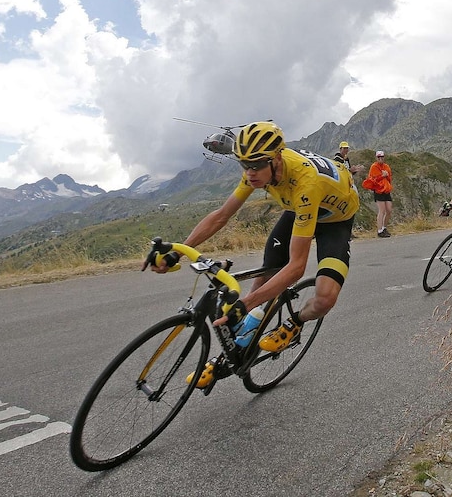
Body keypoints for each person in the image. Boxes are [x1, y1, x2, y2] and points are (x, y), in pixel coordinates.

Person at [144, 121, 359, 388]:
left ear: (276, 159)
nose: (250, 172)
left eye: (256, 165)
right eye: (244, 164)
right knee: (266, 279)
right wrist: (179, 249)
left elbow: (296, 268)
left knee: (325, 297)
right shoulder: (256, 170)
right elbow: (221, 216)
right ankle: (228, 356)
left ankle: (294, 323)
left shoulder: (306, 184)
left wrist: (246, 303)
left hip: (334, 220)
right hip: (298, 209)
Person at [368, 150, 393, 237]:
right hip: (378, 191)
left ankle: (384, 227)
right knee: (381, 210)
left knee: (389, 210)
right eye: (379, 157)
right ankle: (379, 231)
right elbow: (373, 180)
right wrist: (382, 176)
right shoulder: (374, 167)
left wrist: (386, 176)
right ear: (376, 158)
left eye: (382, 157)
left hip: (386, 190)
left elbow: (389, 179)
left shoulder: (386, 167)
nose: (381, 159)